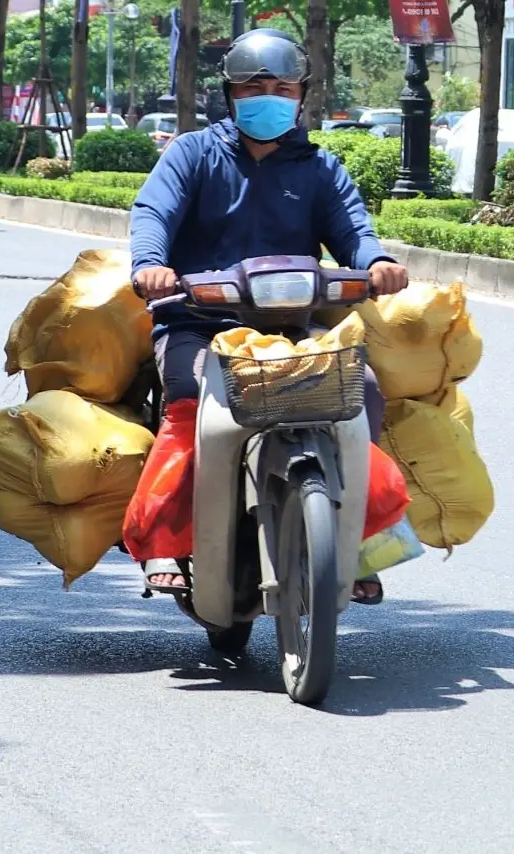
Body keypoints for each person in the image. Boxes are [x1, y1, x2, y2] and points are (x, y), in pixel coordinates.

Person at [129, 28, 409, 604]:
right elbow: (153, 213)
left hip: (287, 326)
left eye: (283, 87)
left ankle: (358, 540)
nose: (270, 96)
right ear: (229, 94)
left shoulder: (321, 168)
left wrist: (376, 262)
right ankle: (162, 537)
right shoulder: (193, 154)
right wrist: (151, 264)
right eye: (255, 86)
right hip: (195, 323)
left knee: (365, 392)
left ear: (302, 95)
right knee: (188, 402)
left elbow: (354, 230)